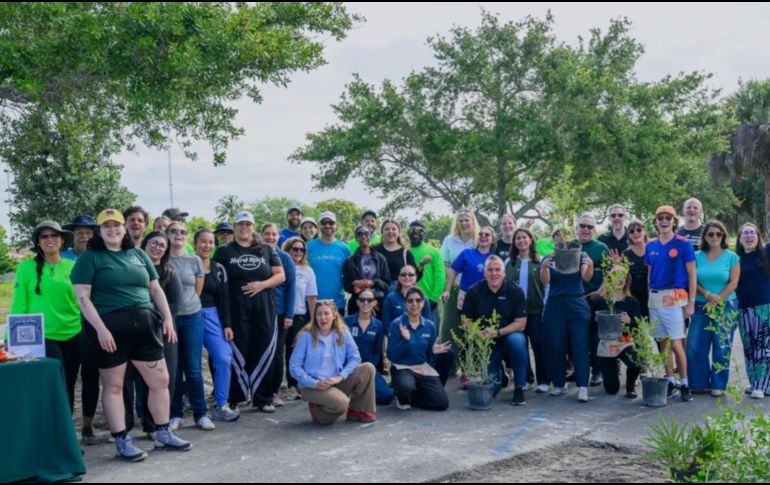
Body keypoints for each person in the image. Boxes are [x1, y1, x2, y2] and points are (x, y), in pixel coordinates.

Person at [71, 209, 190, 462]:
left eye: (116, 225)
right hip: (110, 329)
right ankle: (123, 441)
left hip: (145, 326)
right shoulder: (90, 258)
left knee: (160, 381)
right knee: (114, 386)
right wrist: (101, 329)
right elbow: (82, 297)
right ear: (100, 232)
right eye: (106, 226)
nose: (112, 229)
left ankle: (163, 432)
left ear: (124, 228)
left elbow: (155, 289)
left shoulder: (138, 254)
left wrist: (168, 319)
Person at [213, 211, 286, 413]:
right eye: (240, 224)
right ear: (235, 227)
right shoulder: (224, 251)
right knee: (238, 350)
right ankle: (235, 397)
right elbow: (217, 281)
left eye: (248, 224)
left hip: (264, 307)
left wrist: (261, 285)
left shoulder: (266, 249)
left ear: (253, 227)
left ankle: (263, 398)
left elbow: (280, 275)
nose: (244, 227)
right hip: (236, 308)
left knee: (264, 349)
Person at [11, 221, 79, 408]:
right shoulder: (25, 268)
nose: (50, 239)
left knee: (70, 381)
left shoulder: (74, 266)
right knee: (55, 380)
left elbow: (82, 301)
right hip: (43, 335)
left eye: (54, 235)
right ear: (38, 242)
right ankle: (51, 421)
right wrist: (10, 336)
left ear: (62, 240)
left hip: (75, 332)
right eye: (44, 236)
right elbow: (19, 304)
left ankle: (66, 422)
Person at [60, 215, 107, 444]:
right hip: (68, 327)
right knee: (67, 379)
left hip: (93, 326)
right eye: (80, 232)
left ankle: (88, 428)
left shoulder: (100, 257)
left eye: (89, 232)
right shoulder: (62, 258)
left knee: (91, 377)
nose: (85, 236)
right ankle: (67, 430)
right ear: (72, 235)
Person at [289, 301, 377, 424]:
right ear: (315, 317)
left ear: (334, 315)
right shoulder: (305, 336)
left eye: (326, 313)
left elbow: (355, 357)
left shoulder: (342, 333)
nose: (323, 318)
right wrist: (315, 383)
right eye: (319, 314)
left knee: (368, 368)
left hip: (335, 381)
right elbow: (294, 367)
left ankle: (357, 411)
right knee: (341, 403)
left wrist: (341, 376)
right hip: (311, 386)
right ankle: (318, 411)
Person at [461, 256, 529, 406]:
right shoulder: (474, 291)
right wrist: (477, 333)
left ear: (504, 272)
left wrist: (497, 332)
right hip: (486, 342)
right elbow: (466, 320)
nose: (494, 273)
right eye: (490, 270)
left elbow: (521, 323)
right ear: (484, 272)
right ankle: (500, 374)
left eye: (498, 270)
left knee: (518, 341)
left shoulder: (515, 291)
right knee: (491, 391)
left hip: (508, 337)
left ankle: (519, 387)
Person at [645, 205, 696, 402]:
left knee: (676, 343)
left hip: (675, 297)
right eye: (660, 218)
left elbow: (692, 274)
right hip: (655, 298)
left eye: (668, 218)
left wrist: (690, 302)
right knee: (663, 343)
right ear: (656, 222)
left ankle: (685, 383)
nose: (664, 221)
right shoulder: (651, 245)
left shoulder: (683, 243)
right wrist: (648, 298)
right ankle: (670, 381)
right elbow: (650, 274)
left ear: (674, 221)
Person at [166, 221, 212, 430]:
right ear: (167, 234)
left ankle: (200, 414)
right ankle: (175, 414)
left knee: (194, 368)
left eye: (182, 231)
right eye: (174, 231)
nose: (178, 234)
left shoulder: (194, 260)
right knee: (174, 369)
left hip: (192, 317)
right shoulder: (161, 259)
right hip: (170, 320)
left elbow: (197, 291)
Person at [688, 220, 740, 397]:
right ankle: (698, 383)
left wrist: (717, 300)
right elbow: (692, 280)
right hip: (701, 305)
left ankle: (718, 385)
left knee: (722, 345)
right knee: (695, 345)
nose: (714, 237)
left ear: (723, 235)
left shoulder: (732, 257)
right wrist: (707, 294)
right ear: (704, 236)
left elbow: (733, 283)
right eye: (710, 234)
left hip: (726, 305)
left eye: (718, 233)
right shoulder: (696, 256)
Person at [541, 234, 594, 402]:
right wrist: (544, 267)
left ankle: (583, 386)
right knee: (556, 344)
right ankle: (559, 383)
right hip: (555, 304)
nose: (561, 240)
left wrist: (590, 265)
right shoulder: (549, 257)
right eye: (557, 237)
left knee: (580, 344)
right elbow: (545, 281)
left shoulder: (580, 255)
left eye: (564, 237)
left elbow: (586, 277)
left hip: (577, 303)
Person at [194, 229, 239, 422]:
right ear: (195, 243)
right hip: (190, 315)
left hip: (212, 315)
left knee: (223, 357)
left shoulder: (219, 269)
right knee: (191, 363)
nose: (207, 246)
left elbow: (225, 299)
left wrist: (227, 324)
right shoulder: (186, 264)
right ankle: (195, 406)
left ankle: (222, 404)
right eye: (203, 242)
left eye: (210, 242)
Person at [139, 232, 181, 436]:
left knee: (166, 379)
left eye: (162, 245)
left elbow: (175, 303)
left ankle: (162, 423)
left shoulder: (169, 271)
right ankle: (149, 426)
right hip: (138, 329)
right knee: (145, 381)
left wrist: (159, 319)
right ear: (145, 243)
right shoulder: (136, 269)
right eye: (154, 243)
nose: (157, 247)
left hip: (164, 330)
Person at [387, 287, 453, 410]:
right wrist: (405, 341)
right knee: (405, 386)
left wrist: (433, 351)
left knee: (442, 403)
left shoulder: (430, 325)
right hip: (403, 367)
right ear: (405, 303)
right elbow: (391, 356)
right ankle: (402, 396)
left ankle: (412, 397)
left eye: (418, 300)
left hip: (422, 367)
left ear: (423, 303)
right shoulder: (397, 324)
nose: (414, 304)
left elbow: (429, 356)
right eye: (410, 301)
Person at [506, 228, 548, 393]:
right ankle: (526, 379)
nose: (521, 240)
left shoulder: (540, 260)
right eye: (518, 238)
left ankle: (543, 380)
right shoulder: (508, 262)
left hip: (535, 311)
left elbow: (547, 286)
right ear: (514, 242)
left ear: (530, 240)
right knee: (520, 347)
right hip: (515, 314)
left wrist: (545, 306)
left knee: (538, 345)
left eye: (524, 237)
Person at [261, 223, 297, 408]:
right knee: (260, 352)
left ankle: (273, 391)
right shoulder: (257, 256)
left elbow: (291, 286)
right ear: (261, 236)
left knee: (276, 354)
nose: (270, 237)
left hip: (280, 312)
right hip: (261, 312)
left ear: (278, 237)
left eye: (274, 234)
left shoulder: (285, 257)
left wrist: (289, 314)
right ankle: (258, 390)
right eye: (267, 234)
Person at [594, 266, 643, 398]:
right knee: (612, 389)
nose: (620, 279)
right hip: (606, 343)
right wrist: (596, 320)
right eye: (616, 276)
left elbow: (639, 326)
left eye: (623, 276)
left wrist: (630, 320)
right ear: (610, 279)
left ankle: (630, 387)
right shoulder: (601, 302)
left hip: (624, 341)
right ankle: (613, 365)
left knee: (636, 361)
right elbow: (592, 328)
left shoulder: (632, 301)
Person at [735, 223, 770, 399]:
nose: (749, 236)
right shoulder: (736, 259)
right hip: (743, 308)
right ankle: (755, 381)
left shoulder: (767, 252)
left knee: (762, 346)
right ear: (740, 239)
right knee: (749, 347)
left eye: (752, 233)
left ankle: (762, 385)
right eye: (745, 233)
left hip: (764, 306)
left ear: (758, 236)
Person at [281, 237, 318, 400]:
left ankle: (293, 384)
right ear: (287, 249)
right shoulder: (279, 266)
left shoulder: (307, 270)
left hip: (298, 315)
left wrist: (313, 320)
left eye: (301, 250)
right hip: (279, 314)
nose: (298, 252)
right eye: (295, 249)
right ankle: (274, 385)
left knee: (294, 351)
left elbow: (311, 297)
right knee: (277, 352)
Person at [344, 289, 395, 405]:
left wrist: (368, 368)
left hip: (369, 368)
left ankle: (358, 392)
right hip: (349, 368)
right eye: (362, 300)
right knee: (337, 395)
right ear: (357, 302)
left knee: (387, 396)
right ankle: (360, 391)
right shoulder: (347, 321)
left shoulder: (378, 325)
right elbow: (341, 349)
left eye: (369, 300)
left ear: (374, 303)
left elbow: (377, 353)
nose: (365, 303)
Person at [577, 215, 610, 387]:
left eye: (589, 227)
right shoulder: (571, 246)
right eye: (582, 226)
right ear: (577, 228)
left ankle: (597, 371)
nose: (586, 229)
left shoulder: (601, 247)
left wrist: (600, 291)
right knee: (577, 337)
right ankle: (579, 369)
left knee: (595, 337)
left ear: (594, 230)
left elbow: (609, 273)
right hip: (575, 299)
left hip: (595, 298)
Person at [439, 210, 478, 347]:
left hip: (474, 289)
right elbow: (444, 263)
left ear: (473, 222)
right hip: (453, 287)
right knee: (451, 325)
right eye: (460, 221)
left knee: (472, 325)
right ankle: (451, 357)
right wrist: (454, 281)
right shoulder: (449, 240)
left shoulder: (478, 240)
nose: (464, 223)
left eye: (467, 220)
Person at [343, 224, 391, 316]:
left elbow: (386, 283)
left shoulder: (380, 258)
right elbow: (346, 285)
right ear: (356, 238)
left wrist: (373, 282)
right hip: (357, 303)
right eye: (359, 234)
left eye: (366, 233)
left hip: (377, 303)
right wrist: (354, 283)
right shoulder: (350, 261)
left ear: (370, 236)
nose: (363, 236)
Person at [307, 211, 350, 314]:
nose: (327, 225)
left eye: (331, 223)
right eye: (324, 223)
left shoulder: (345, 249)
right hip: (313, 303)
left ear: (336, 225)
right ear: (319, 225)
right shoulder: (308, 246)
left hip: (337, 303)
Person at [408, 220, 445, 325]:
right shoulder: (404, 251)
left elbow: (440, 275)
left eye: (419, 231)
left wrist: (434, 298)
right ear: (408, 232)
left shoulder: (433, 251)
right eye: (412, 230)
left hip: (429, 299)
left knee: (430, 331)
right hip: (408, 300)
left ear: (424, 233)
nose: (415, 233)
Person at [372, 219, 418, 292]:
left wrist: (421, 266)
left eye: (393, 229)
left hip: (399, 292)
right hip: (377, 291)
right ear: (382, 232)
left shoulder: (406, 253)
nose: (390, 231)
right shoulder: (374, 250)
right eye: (387, 229)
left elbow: (415, 275)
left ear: (398, 232)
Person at [622, 220, 650, 317]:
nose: (636, 233)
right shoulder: (625, 254)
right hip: (632, 296)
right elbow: (623, 278)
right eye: (632, 231)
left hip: (650, 294)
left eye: (639, 230)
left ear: (644, 232)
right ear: (629, 235)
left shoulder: (653, 250)